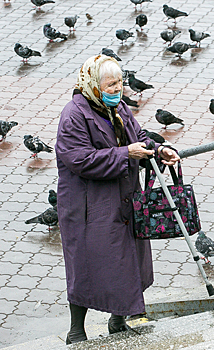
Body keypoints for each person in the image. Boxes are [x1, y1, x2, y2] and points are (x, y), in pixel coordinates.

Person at [55, 55, 180, 344]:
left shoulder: (119, 108)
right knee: (85, 264)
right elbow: (78, 159)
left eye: (119, 83)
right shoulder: (73, 114)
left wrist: (159, 151)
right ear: (93, 85)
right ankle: (76, 330)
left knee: (128, 260)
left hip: (123, 198)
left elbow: (139, 139)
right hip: (87, 205)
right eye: (110, 84)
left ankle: (118, 319)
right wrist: (125, 154)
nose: (117, 89)